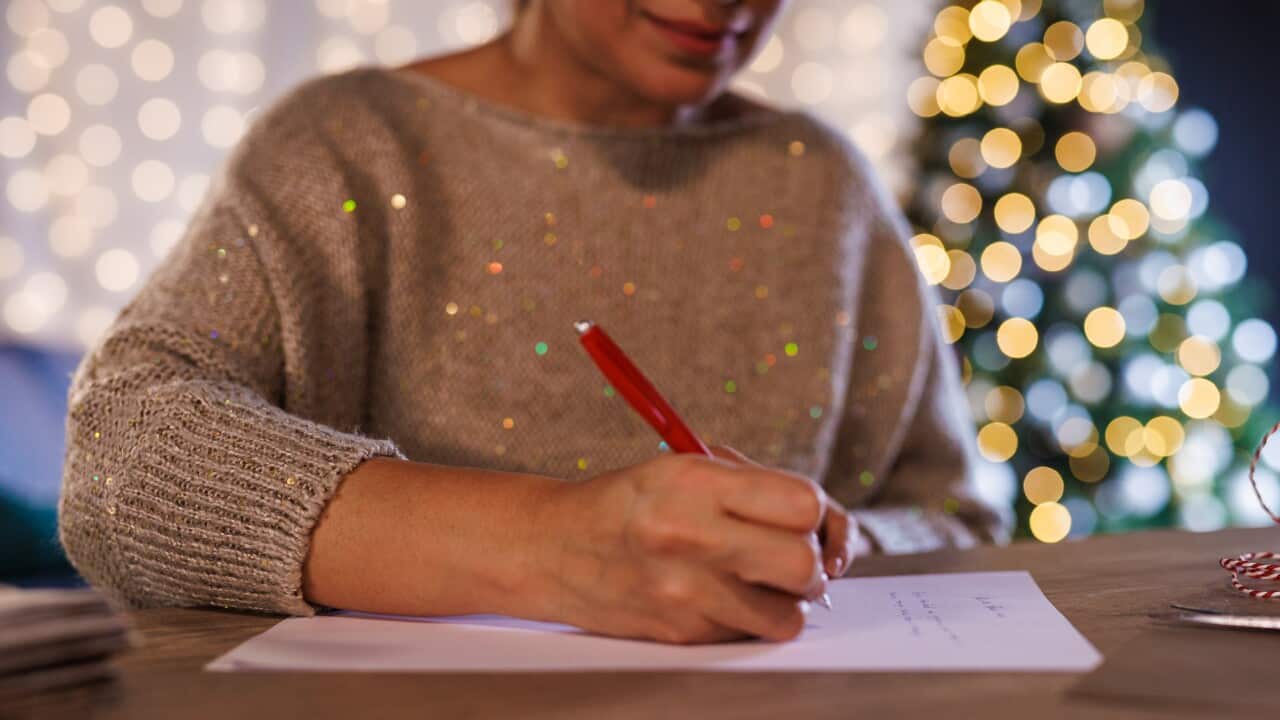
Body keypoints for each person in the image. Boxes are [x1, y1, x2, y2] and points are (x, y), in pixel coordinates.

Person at [58, 0, 1008, 645]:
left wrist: (836, 544)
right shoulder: (348, 146)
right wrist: (556, 547)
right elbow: (121, 458)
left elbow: (959, 518)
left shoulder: (821, 183)